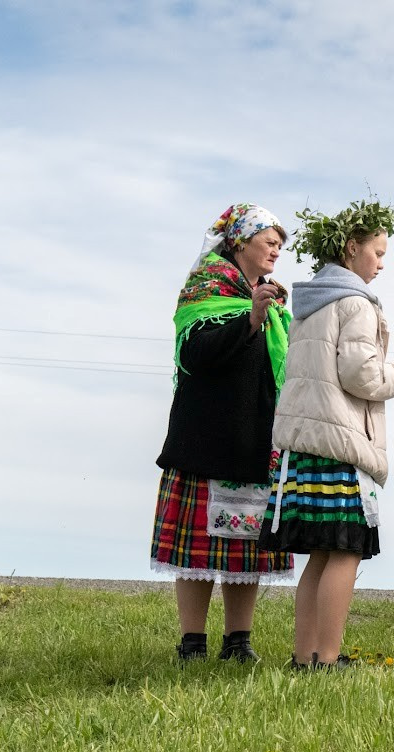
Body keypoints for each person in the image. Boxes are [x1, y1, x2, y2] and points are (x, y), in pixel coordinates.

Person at [262, 198, 394, 668]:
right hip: (341, 443)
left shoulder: (311, 304)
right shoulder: (356, 303)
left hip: (305, 442)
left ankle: (304, 656)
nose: (381, 264)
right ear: (352, 248)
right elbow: (361, 376)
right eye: (377, 253)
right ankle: (327, 658)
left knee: (320, 554)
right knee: (346, 550)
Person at [153, 204, 294, 663]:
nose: (276, 250)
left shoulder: (268, 298)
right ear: (239, 241)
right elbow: (196, 354)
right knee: (196, 552)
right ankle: (192, 643)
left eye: (280, 244)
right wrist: (250, 318)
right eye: (269, 241)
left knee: (247, 545)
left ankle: (238, 641)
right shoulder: (206, 286)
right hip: (205, 437)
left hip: (256, 437)